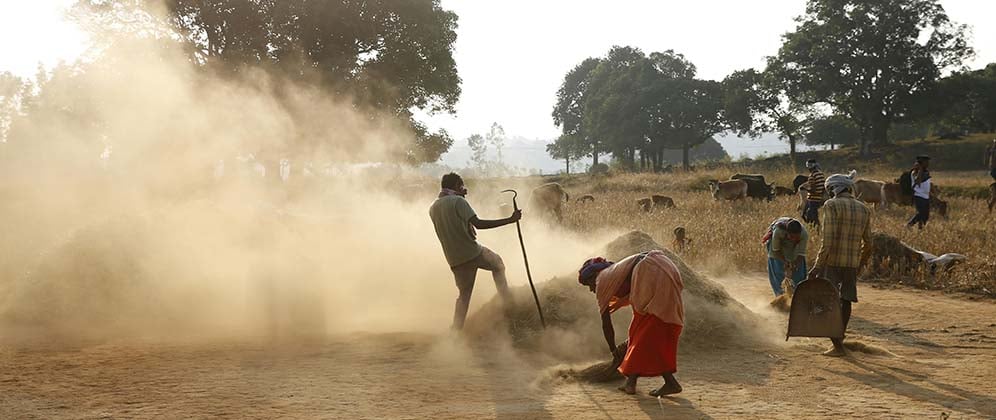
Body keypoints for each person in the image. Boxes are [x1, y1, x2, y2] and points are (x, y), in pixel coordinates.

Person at [577, 250, 684, 396]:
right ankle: (631, 382)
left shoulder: (601, 280)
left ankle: (668, 383)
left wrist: (613, 350)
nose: (590, 289)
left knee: (644, 329)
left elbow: (606, 324)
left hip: (650, 269)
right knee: (643, 330)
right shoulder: (615, 273)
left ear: (594, 276)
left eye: (589, 284)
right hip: (666, 266)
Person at [429, 172, 521, 330]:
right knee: (498, 263)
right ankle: (507, 304)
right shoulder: (457, 201)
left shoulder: (434, 207)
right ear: (457, 185)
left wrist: (462, 197)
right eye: (461, 185)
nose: (464, 188)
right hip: (472, 252)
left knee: (464, 296)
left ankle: (455, 332)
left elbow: (454, 223)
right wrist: (510, 220)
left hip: (454, 258)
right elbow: (478, 224)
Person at [807, 172, 872, 357]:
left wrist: (817, 266)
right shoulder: (864, 208)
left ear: (832, 189)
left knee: (828, 302)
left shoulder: (831, 205)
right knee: (846, 301)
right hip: (851, 264)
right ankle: (839, 340)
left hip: (832, 262)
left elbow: (827, 241)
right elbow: (869, 243)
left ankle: (837, 346)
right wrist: (860, 264)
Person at [762, 217, 808, 296]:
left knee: (798, 274)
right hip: (777, 250)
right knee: (778, 272)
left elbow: (801, 254)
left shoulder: (804, 235)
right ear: (787, 233)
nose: (794, 239)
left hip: (794, 248)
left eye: (796, 238)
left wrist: (794, 265)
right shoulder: (778, 231)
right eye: (792, 237)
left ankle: (797, 297)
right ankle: (781, 297)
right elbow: (776, 250)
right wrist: (785, 262)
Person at [906, 155, 932, 229]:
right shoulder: (914, 172)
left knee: (926, 215)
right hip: (918, 195)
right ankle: (909, 224)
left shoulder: (926, 172)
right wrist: (920, 169)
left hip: (926, 196)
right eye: (926, 162)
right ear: (921, 163)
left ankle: (921, 228)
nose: (927, 164)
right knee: (920, 213)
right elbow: (918, 181)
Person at [803, 159, 827, 226]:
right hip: (818, 198)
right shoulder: (821, 174)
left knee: (812, 216)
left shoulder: (812, 175)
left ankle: (817, 228)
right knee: (809, 214)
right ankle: (812, 226)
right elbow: (823, 187)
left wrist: (805, 188)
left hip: (813, 199)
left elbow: (813, 190)